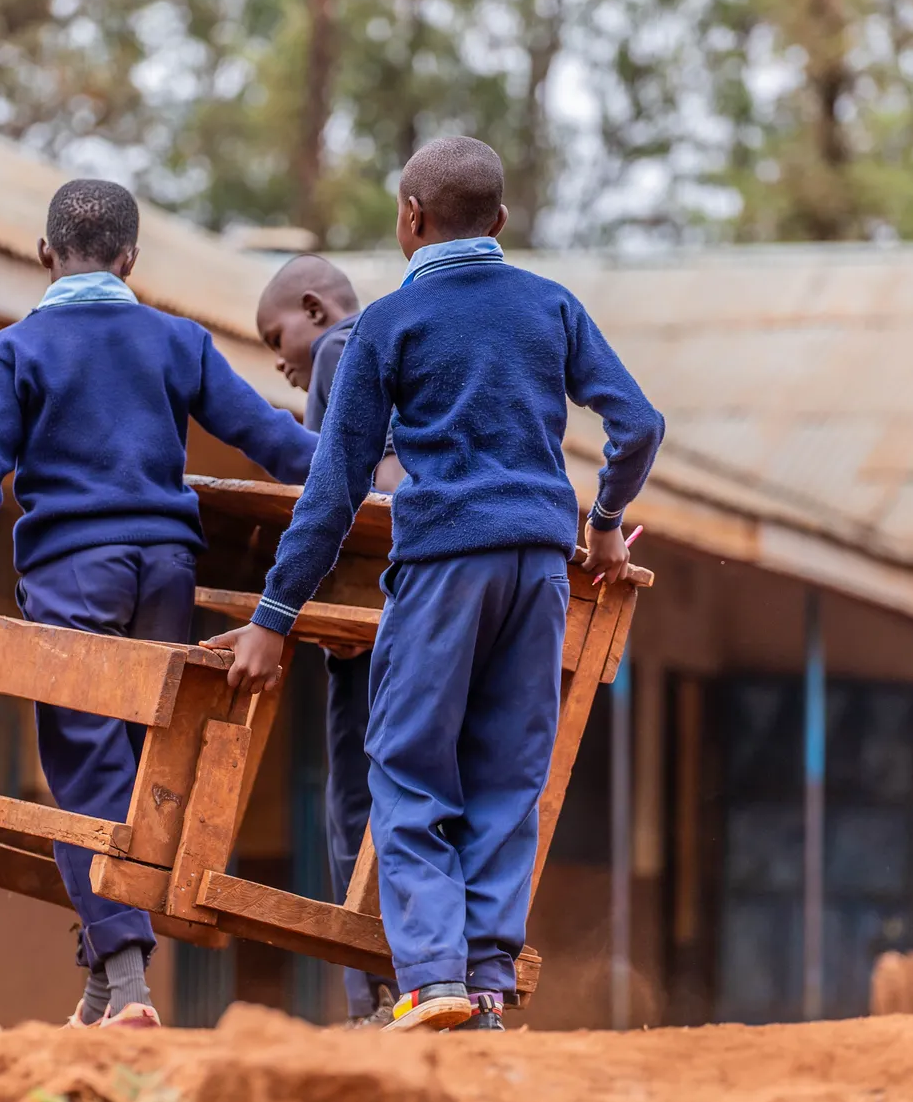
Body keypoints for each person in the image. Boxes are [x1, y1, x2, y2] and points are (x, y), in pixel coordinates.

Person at [210, 138, 665, 1032]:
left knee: (412, 767)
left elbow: (333, 492)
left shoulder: (386, 325)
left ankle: (430, 977)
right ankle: (487, 982)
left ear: (409, 219)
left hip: (441, 569)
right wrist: (604, 522)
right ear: (498, 222)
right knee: (507, 772)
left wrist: (273, 612)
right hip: (539, 568)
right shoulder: (551, 307)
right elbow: (638, 422)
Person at [0, 179, 317, 1030]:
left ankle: (128, 984)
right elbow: (270, 437)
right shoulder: (178, 340)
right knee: (129, 767)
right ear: (131, 260)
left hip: (73, 574)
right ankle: (98, 986)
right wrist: (370, 480)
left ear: (45, 256)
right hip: (165, 574)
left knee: (85, 769)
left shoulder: (15, 352)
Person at [256, 254, 402, 1028]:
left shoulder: (344, 349)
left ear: (313, 308)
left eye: (275, 335)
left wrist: (291, 608)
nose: (277, 358)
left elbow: (333, 486)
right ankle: (434, 978)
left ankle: (371, 993)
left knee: (353, 798)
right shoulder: (405, 346)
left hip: (367, 615)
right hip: (423, 606)